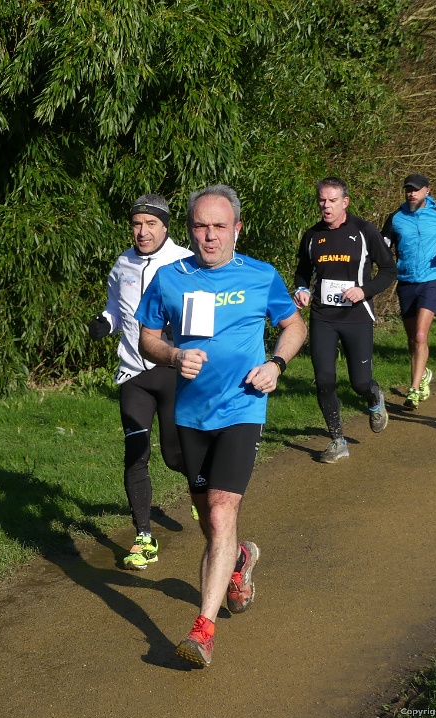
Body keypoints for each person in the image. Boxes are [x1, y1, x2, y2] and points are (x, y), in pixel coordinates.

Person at [135, 184, 307, 667]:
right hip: (191, 414)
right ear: (190, 230)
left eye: (219, 226)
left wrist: (276, 364)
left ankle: (202, 632)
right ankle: (239, 559)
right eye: (200, 226)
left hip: (243, 407)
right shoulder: (170, 278)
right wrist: (173, 356)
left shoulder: (260, 275)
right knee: (210, 524)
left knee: (220, 509)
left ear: (236, 229)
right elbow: (148, 338)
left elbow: (294, 325)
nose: (210, 235)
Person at [88, 194, 192, 570]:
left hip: (173, 373)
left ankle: (203, 486)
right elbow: (116, 308)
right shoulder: (123, 264)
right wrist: (105, 322)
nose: (142, 231)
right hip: (134, 374)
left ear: (165, 226)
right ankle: (144, 537)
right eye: (136, 224)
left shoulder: (186, 262)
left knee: (175, 456)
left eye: (150, 224)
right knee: (136, 455)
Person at [293, 177, 397, 463]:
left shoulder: (364, 231)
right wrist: (301, 289)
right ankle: (337, 440)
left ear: (345, 202)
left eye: (332, 200)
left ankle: (374, 397)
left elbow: (389, 270)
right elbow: (303, 271)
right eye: (322, 200)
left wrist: (364, 290)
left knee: (359, 383)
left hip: (357, 316)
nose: (326, 206)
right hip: (323, 316)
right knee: (324, 380)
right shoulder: (312, 235)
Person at [382, 173, 436, 409]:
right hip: (406, 282)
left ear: (427, 190)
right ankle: (424, 373)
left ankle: (414, 390)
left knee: (420, 336)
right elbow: (383, 246)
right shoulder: (395, 218)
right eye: (408, 189)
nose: (412, 193)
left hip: (432, 280)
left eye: (416, 189)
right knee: (412, 340)